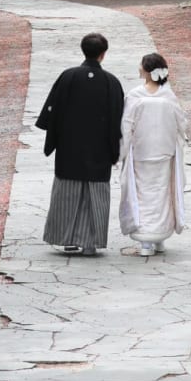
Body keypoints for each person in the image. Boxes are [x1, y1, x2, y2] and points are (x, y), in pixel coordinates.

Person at [36, 32, 125, 256]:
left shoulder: (68, 77)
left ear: (83, 50)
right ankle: (91, 243)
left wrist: (54, 137)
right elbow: (118, 118)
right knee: (96, 194)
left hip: (70, 147)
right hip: (99, 148)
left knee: (67, 192)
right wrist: (115, 149)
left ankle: (67, 239)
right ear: (103, 54)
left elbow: (51, 111)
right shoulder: (111, 82)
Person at [118, 51, 187, 257]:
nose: (138, 68)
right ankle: (160, 237)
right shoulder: (168, 96)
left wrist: (121, 152)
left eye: (141, 65)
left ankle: (146, 241)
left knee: (142, 195)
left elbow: (126, 126)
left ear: (147, 71)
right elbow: (182, 124)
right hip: (164, 152)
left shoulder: (135, 96)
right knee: (162, 193)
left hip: (141, 152)